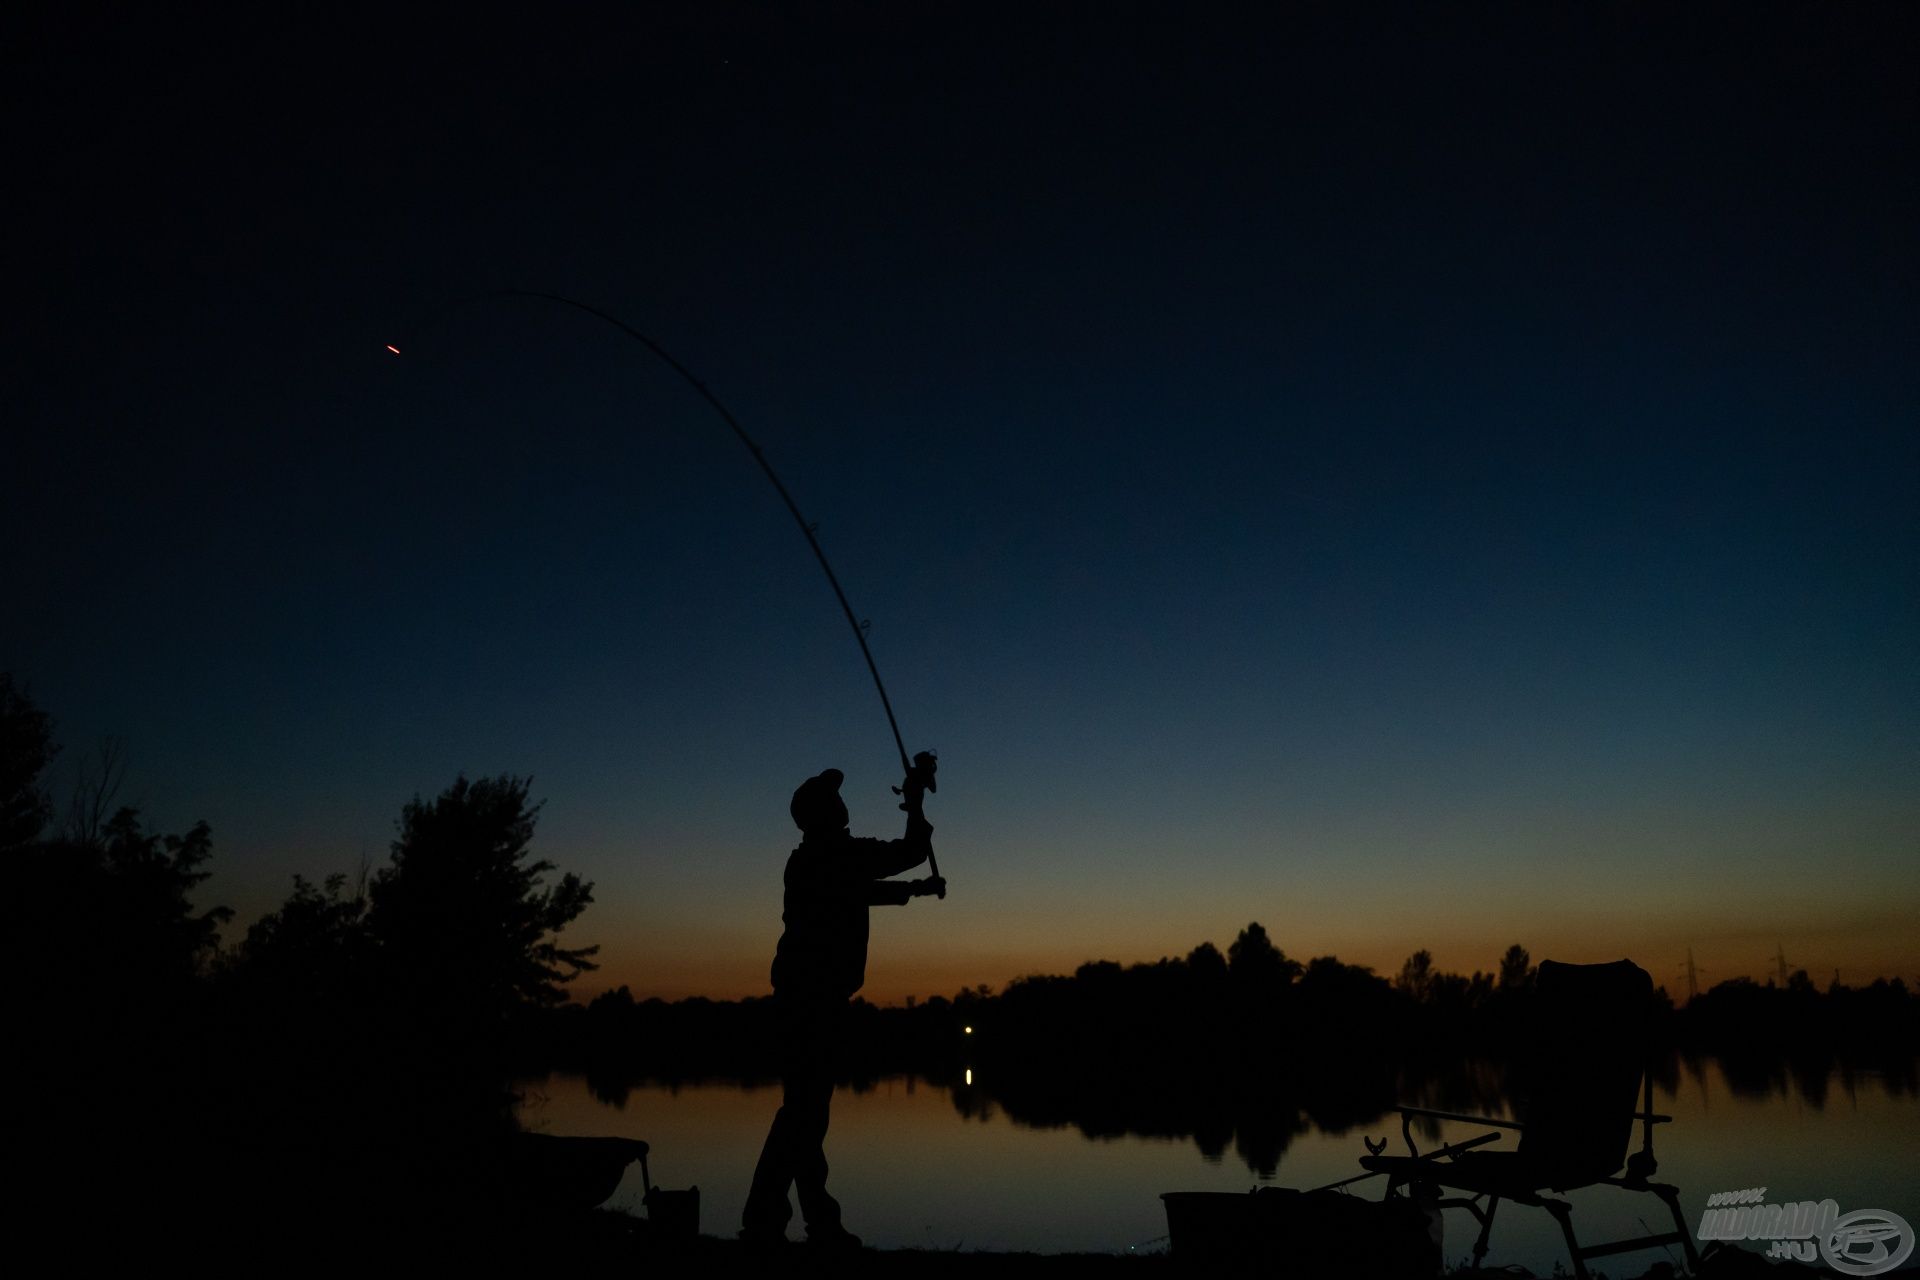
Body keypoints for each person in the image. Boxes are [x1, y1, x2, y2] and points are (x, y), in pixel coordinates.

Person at [740, 764, 944, 1248]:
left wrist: (915, 891)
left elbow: (861, 890)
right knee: (804, 1114)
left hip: (800, 996)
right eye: (833, 800)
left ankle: (813, 1224)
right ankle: (767, 1221)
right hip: (814, 1000)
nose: (842, 805)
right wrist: (915, 804)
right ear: (822, 814)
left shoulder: (815, 859)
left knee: (806, 1113)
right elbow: (909, 853)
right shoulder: (837, 855)